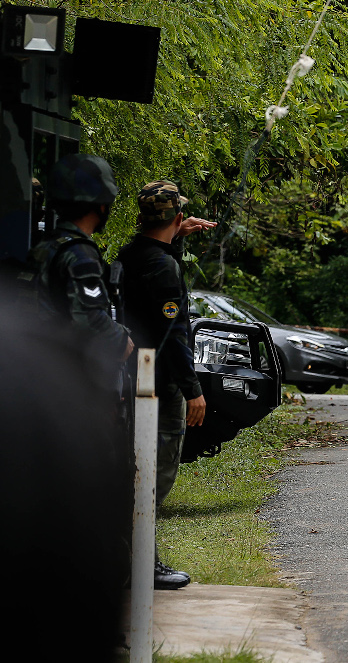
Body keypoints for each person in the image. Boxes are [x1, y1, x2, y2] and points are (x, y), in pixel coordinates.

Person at [117, 180, 216, 590]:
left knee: (132, 472)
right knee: (154, 476)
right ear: (176, 217)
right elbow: (174, 332)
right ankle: (139, 563)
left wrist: (175, 238)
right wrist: (192, 389)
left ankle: (132, 559)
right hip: (157, 386)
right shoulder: (162, 266)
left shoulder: (131, 254)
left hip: (130, 379)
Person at [29, 154, 134, 370]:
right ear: (102, 205)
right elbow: (90, 318)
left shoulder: (46, 245)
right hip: (62, 379)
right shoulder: (79, 253)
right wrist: (121, 340)